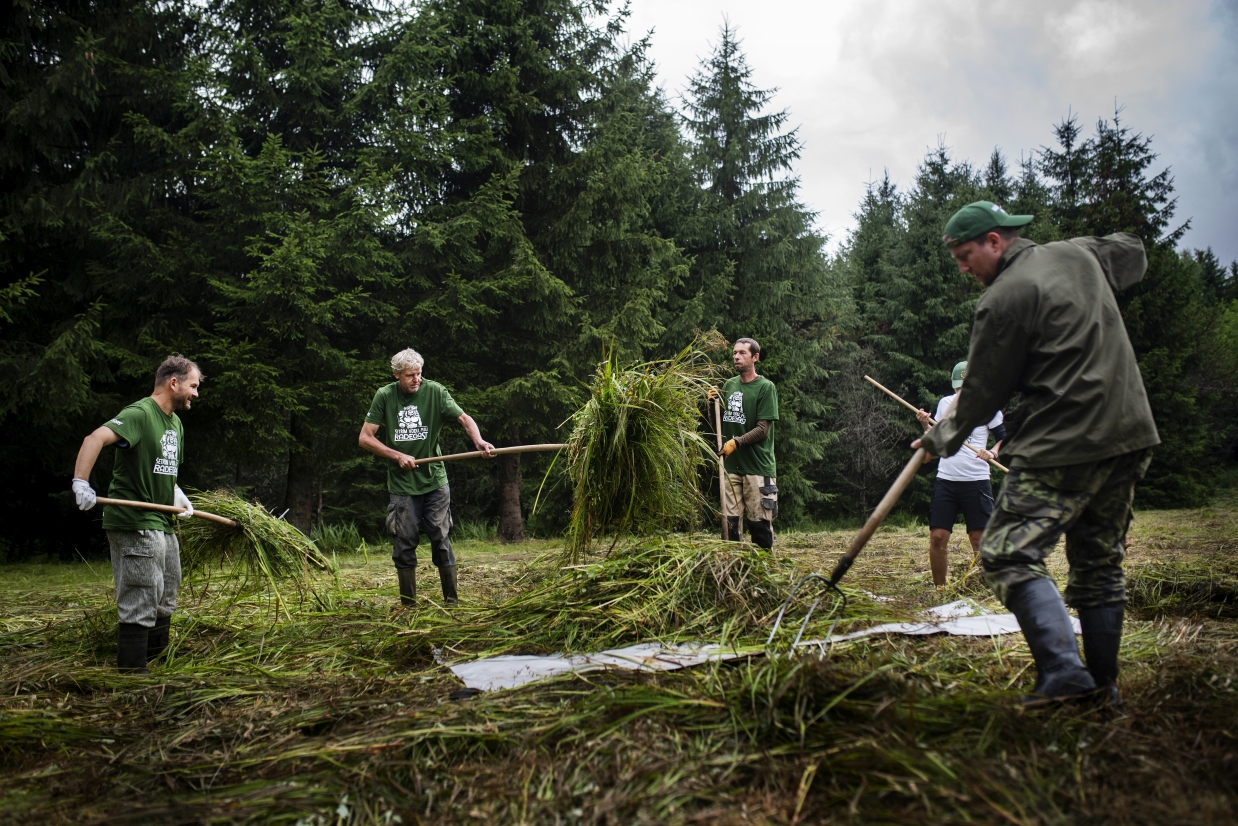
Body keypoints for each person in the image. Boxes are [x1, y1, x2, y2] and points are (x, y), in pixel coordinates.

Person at [914, 201, 1159, 706]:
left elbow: (981, 392)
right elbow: (1133, 252)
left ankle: (1064, 673)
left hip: (1066, 442)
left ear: (995, 241)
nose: (963, 269)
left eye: (965, 256)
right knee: (1098, 561)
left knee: (1006, 552)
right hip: (1130, 432)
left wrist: (938, 439)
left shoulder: (1004, 297)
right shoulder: (1078, 253)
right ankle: (1103, 688)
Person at [71, 354, 202, 674]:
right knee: (141, 591)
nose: (196, 394)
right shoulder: (141, 413)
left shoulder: (175, 424)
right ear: (174, 383)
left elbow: (161, 470)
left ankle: (157, 658)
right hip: (133, 520)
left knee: (167, 587)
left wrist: (176, 494)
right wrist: (81, 482)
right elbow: (95, 438)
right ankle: (132, 670)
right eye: (193, 386)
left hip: (162, 520)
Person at [359, 348, 495, 607]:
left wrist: (478, 440)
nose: (416, 379)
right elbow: (365, 438)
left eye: (419, 374)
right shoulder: (385, 396)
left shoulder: (435, 392)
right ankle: (408, 606)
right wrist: (396, 455)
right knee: (404, 542)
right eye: (410, 375)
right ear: (397, 374)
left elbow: (463, 418)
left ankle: (452, 602)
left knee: (440, 538)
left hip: (434, 481)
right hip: (402, 486)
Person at [916, 360, 1006, 587]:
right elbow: (936, 438)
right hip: (946, 480)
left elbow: (1003, 437)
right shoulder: (945, 404)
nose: (960, 393)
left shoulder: (989, 408)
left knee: (979, 540)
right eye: (958, 388)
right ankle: (940, 591)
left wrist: (993, 453)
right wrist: (926, 426)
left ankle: (983, 589)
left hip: (976, 481)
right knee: (938, 538)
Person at [713, 338, 779, 550]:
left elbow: (763, 430)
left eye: (742, 353)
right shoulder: (729, 385)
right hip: (731, 466)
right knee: (730, 525)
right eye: (734, 353)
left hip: (757, 468)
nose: (736, 357)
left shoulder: (765, 387)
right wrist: (710, 403)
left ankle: (764, 573)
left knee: (759, 523)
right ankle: (733, 570)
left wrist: (737, 442)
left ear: (755, 357)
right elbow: (719, 422)